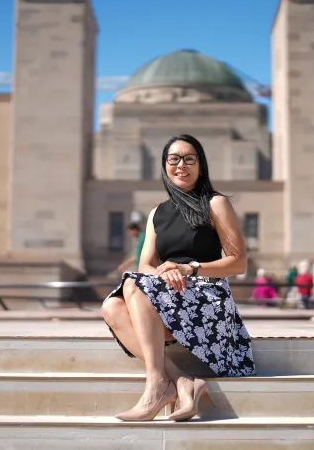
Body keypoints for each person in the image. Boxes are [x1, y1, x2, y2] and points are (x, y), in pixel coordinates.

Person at [101, 134, 255, 423]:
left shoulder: (216, 203)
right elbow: (145, 264)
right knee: (111, 306)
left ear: (200, 165)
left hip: (207, 299)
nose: (181, 165)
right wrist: (166, 271)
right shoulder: (157, 212)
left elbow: (239, 262)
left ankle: (157, 386)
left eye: (189, 159)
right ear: (164, 165)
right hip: (167, 293)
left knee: (133, 284)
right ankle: (181, 380)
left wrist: (189, 268)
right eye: (174, 159)